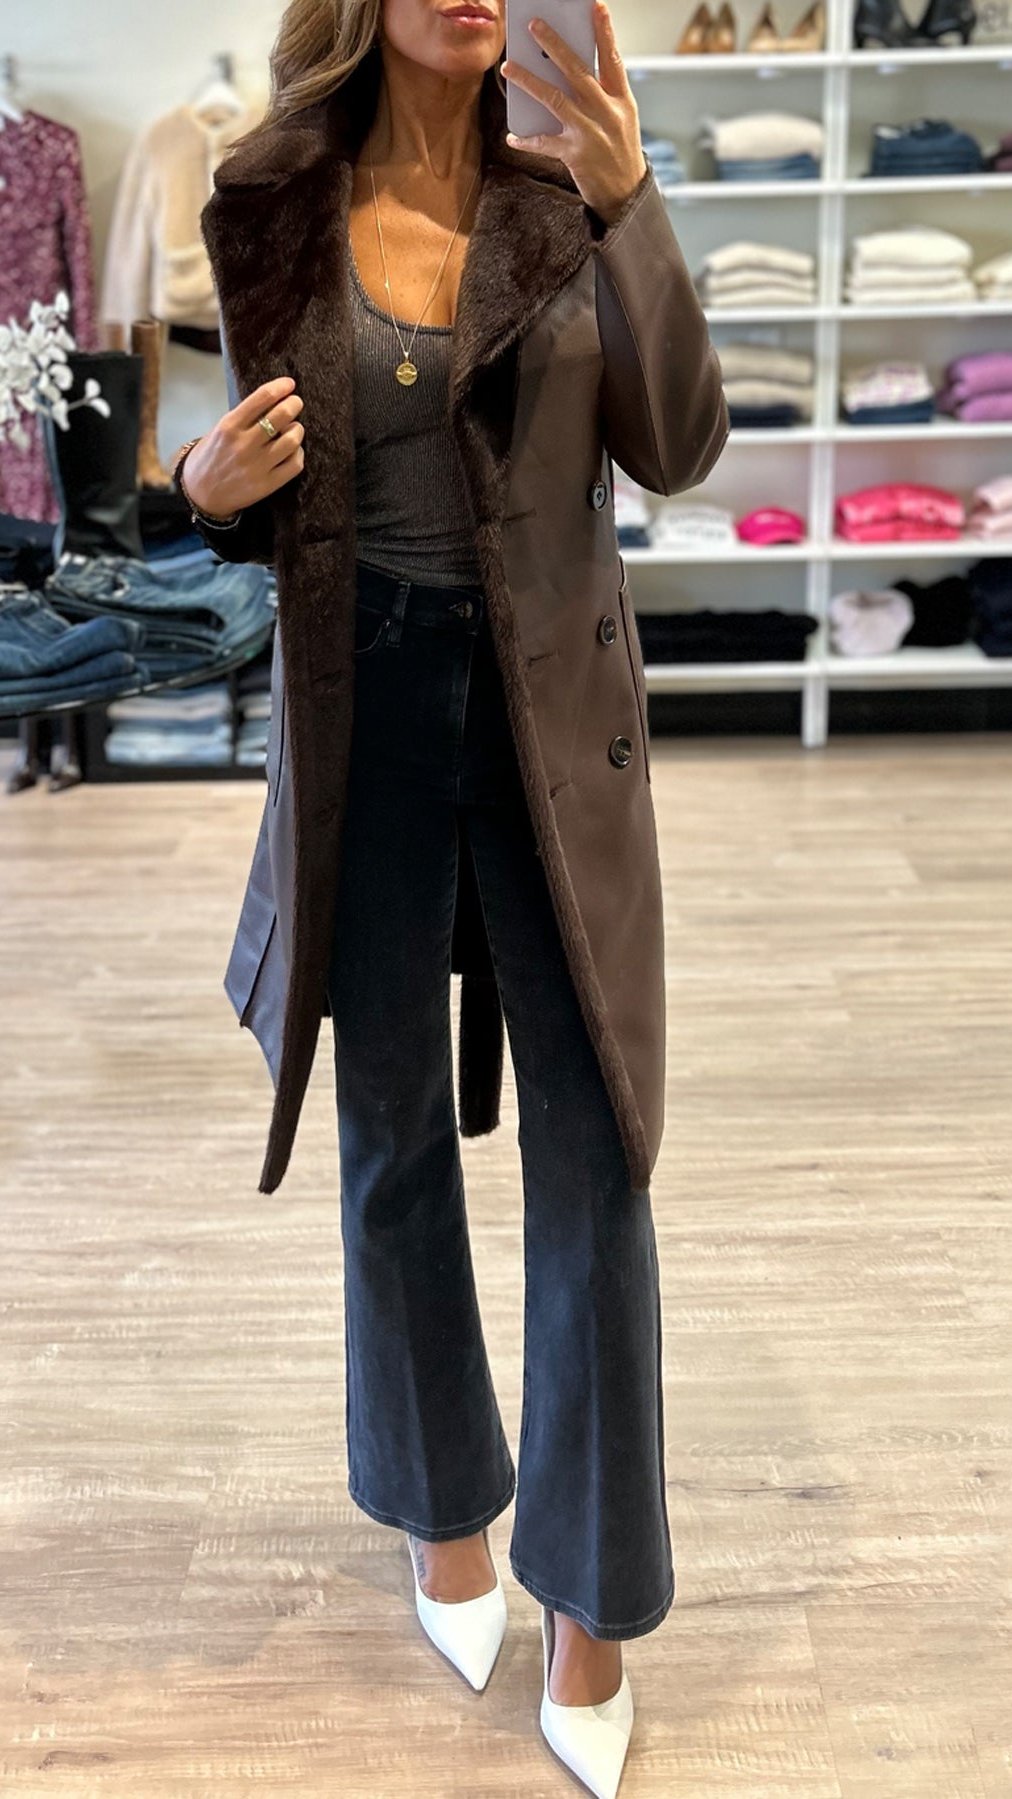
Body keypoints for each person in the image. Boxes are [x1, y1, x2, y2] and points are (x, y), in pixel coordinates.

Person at [173, 0, 728, 1791]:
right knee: (392, 1135)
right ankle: (442, 1513)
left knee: (596, 1147)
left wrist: (634, 206)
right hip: (368, 718)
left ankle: (595, 1595)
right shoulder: (272, 200)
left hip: (552, 721)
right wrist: (200, 489)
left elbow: (681, 444)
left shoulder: (567, 186)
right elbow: (257, 484)